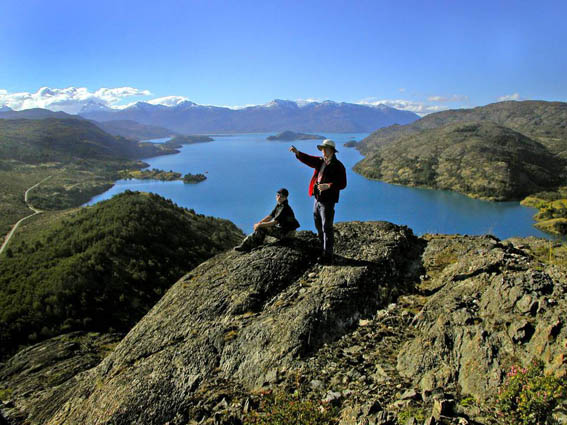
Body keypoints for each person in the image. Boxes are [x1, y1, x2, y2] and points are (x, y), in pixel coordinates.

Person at [289, 139, 346, 264]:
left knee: (327, 228)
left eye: (325, 149)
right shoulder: (321, 161)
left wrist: (329, 186)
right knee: (318, 225)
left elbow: (342, 184)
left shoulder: (338, 166)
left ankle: (328, 256)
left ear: (331, 150)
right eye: (322, 149)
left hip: (328, 201)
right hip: (317, 199)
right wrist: (297, 153)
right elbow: (309, 159)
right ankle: (322, 249)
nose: (323, 151)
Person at [234, 188, 300, 252]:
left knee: (262, 227)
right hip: (284, 231)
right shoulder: (279, 205)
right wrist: (259, 223)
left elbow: (274, 222)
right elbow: (270, 216)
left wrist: (259, 225)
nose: (279, 197)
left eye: (281, 196)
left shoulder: (284, 207)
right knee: (261, 226)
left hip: (287, 234)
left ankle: (248, 245)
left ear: (285, 198)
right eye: (278, 195)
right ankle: (251, 244)